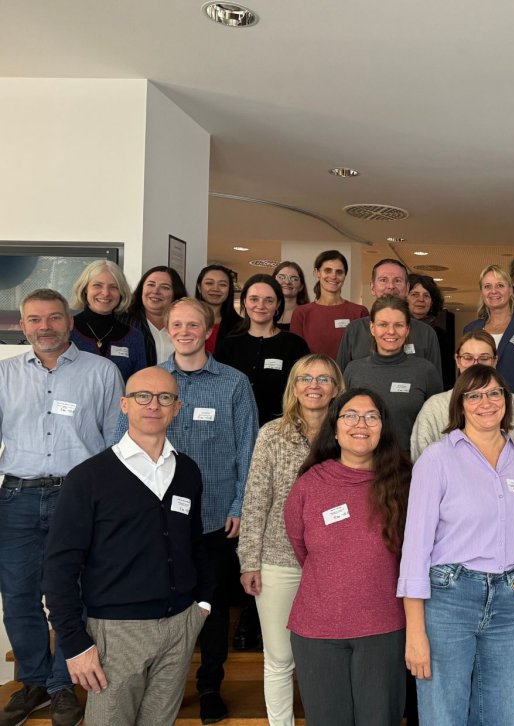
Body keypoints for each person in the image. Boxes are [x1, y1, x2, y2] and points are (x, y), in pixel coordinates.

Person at [115, 296, 259, 724]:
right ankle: (162, 686)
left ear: (208, 328)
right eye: (177, 324)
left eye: (193, 324)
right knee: (163, 603)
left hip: (215, 516)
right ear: (168, 328)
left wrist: (239, 503)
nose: (184, 331)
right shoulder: (152, 381)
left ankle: (210, 685)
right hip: (158, 518)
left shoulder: (233, 383)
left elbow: (247, 449)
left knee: (211, 606)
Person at [43, 366, 213, 726]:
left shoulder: (188, 472)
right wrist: (74, 643)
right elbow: (59, 568)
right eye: (142, 396)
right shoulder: (88, 478)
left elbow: (195, 543)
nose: (154, 405)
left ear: (177, 408)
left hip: (180, 625)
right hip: (116, 633)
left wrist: (202, 605)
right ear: (124, 404)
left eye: (164, 397)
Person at [0, 288, 123, 726]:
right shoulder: (4, 374)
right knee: (18, 595)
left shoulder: (102, 371)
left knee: (73, 594)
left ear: (70, 322)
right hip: (16, 496)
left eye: (53, 317)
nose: (44, 326)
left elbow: (115, 443)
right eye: (35, 319)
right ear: (23, 325)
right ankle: (32, 681)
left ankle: (61, 683)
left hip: (78, 496)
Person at [399, 366, 514, 725]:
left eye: (494, 393)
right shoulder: (436, 459)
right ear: (460, 404)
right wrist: (415, 633)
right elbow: (415, 549)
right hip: (450, 599)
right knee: (442, 715)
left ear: (506, 402)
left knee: (508, 714)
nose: (485, 402)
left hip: (511, 602)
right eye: (474, 395)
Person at [284, 388, 411, 725]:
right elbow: (301, 547)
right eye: (350, 415)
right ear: (335, 427)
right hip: (318, 630)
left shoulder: (406, 481)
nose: (361, 424)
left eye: (372, 416)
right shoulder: (310, 484)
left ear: (383, 427)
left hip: (384, 627)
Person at [238, 354, 342, 726]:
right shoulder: (272, 434)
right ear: (294, 386)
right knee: (280, 656)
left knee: (326, 655)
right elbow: (255, 498)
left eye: (324, 379)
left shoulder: (348, 432)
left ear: (336, 388)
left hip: (334, 563)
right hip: (278, 559)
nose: (314, 385)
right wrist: (249, 560)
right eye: (305, 378)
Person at [410, 330, 514, 461]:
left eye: (484, 358)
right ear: (457, 360)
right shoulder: (434, 407)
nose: (475, 365)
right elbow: (421, 462)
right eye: (467, 358)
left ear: (495, 361)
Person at [344, 297, 442, 453]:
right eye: (383, 325)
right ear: (372, 328)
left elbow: (438, 425)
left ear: (408, 329)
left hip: (409, 466)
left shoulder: (425, 371)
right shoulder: (353, 370)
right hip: (361, 463)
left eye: (398, 325)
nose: (391, 331)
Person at [216, 274, 310, 426]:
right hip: (233, 428)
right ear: (245, 302)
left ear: (278, 304)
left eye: (269, 300)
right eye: (254, 299)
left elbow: (304, 391)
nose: (261, 305)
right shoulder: (228, 345)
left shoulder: (295, 345)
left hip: (282, 430)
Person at [463, 265, 514, 418]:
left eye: (500, 285)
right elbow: (464, 378)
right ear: (482, 292)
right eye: (487, 286)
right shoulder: (470, 330)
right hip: (478, 413)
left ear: (511, 289)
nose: (494, 291)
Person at [336, 258, 441, 374]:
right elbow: (340, 381)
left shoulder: (426, 333)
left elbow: (435, 386)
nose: (391, 286)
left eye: (397, 281)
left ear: (407, 288)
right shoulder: (354, 330)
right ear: (372, 287)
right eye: (383, 280)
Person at [69, 260, 148, 382]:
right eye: (97, 285)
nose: (105, 293)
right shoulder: (66, 330)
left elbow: (140, 385)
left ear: (121, 292)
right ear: (85, 289)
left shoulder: (134, 337)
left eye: (113, 287)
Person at [290, 250, 369, 357]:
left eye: (339, 272)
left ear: (345, 275)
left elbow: (364, 355)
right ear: (317, 273)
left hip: (349, 373)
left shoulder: (359, 312)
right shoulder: (301, 313)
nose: (333, 276)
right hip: (312, 373)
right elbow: (296, 355)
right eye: (328, 270)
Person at [121, 265, 188, 365]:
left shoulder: (186, 324)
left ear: (175, 293)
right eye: (151, 285)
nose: (156, 291)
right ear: (142, 288)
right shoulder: (123, 321)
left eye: (165, 287)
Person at [407, 273, 456, 390]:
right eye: (414, 294)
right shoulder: (395, 331)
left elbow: (447, 375)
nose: (421, 299)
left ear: (432, 301)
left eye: (426, 296)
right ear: (405, 298)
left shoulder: (441, 335)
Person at [195, 264, 242, 354]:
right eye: (209, 283)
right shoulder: (184, 320)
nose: (216, 288)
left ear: (229, 290)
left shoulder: (240, 327)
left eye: (222, 284)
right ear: (199, 288)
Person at [272, 260, 309, 331]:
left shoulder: (308, 315)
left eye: (294, 279)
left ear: (301, 286)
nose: (287, 282)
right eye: (281, 277)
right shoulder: (264, 311)